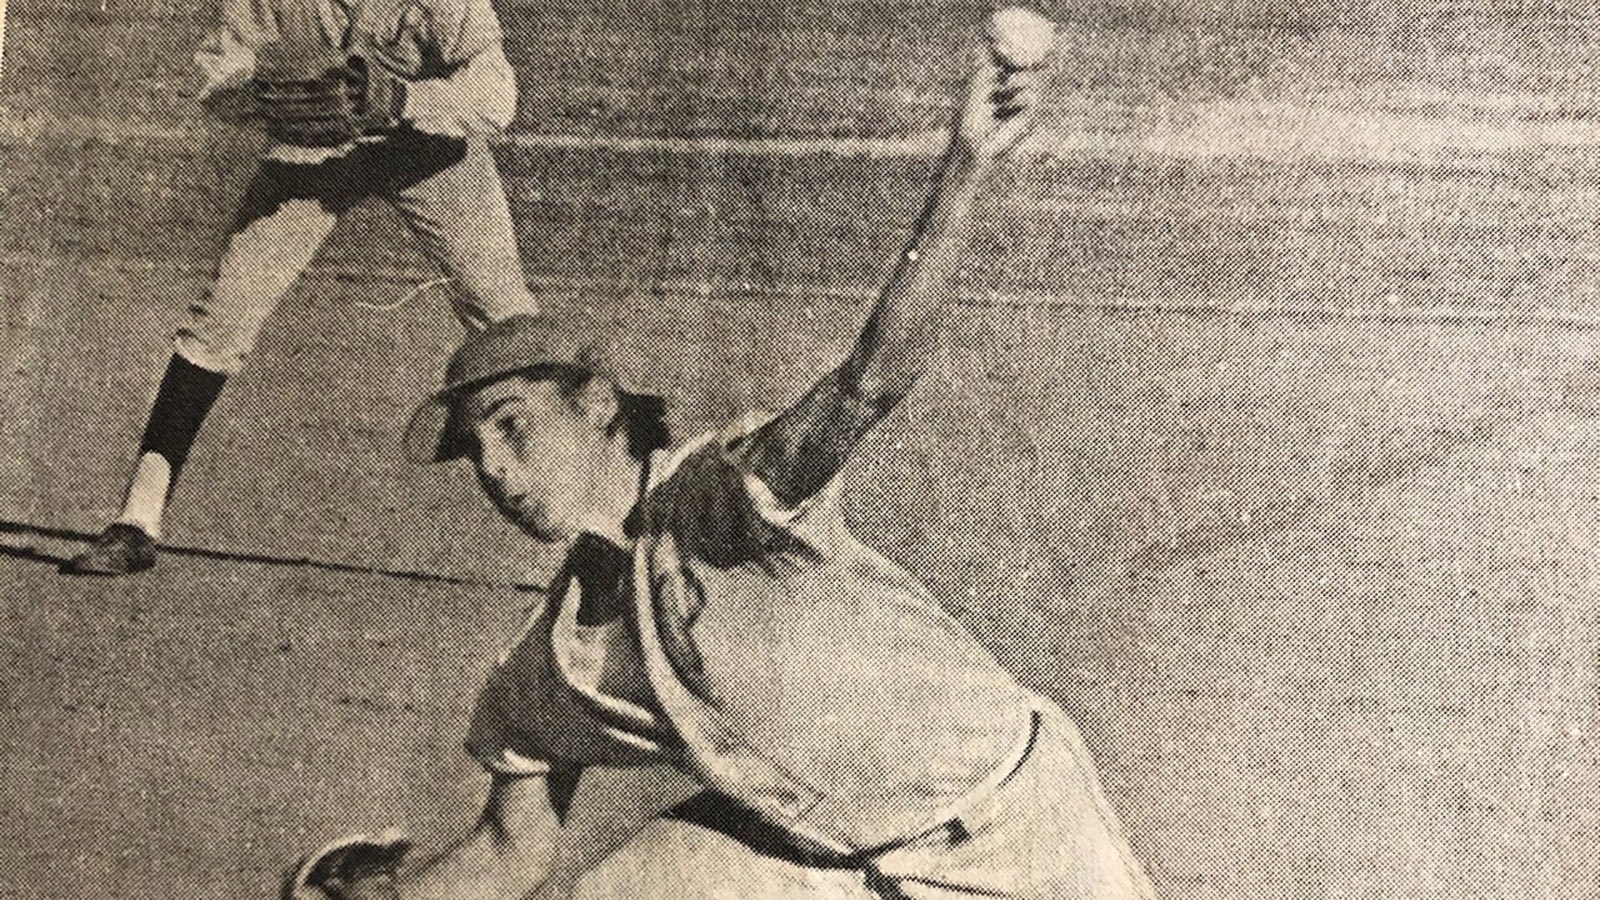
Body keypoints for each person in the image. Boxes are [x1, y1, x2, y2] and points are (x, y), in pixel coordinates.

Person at [285, 47, 1162, 900]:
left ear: (595, 403)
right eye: (475, 452)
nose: (495, 469)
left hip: (1018, 821)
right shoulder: (561, 662)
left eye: (512, 428)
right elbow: (511, 849)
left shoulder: (719, 497)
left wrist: (966, 165)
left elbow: (872, 377)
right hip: (825, 864)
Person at [63, 0, 538, 575]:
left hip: (428, 151)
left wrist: (405, 99)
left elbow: (497, 92)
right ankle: (138, 517)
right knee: (224, 317)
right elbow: (215, 72)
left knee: (509, 325)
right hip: (313, 152)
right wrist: (264, 87)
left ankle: (594, 525)